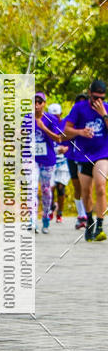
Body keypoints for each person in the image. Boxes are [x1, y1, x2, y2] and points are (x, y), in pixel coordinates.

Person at [64, 79, 108, 242]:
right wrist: (80, 132)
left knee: (101, 186)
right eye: (96, 97)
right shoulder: (79, 108)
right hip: (84, 155)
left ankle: (100, 226)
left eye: (102, 98)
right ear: (89, 93)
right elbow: (66, 131)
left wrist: (103, 113)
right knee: (86, 191)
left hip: (103, 153)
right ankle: (89, 221)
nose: (98, 101)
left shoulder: (106, 108)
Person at [32, 92, 63, 233]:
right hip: (31, 159)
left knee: (45, 190)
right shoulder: (27, 118)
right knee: (31, 189)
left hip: (47, 160)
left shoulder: (50, 119)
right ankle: (32, 220)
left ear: (44, 104)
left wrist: (43, 128)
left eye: (40, 102)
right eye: (35, 102)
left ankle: (45, 217)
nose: (37, 105)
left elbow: (59, 139)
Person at [63, 93, 88, 229]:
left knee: (86, 186)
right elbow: (63, 135)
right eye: (79, 103)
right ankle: (81, 215)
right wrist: (78, 131)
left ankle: (86, 215)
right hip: (72, 156)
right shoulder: (69, 120)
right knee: (77, 186)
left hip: (87, 157)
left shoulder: (91, 118)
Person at [46, 103, 69, 223]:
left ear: (61, 115)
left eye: (57, 116)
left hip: (63, 162)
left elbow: (72, 142)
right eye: (52, 116)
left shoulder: (65, 125)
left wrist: (66, 149)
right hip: (50, 161)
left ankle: (59, 212)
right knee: (50, 188)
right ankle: (51, 209)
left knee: (61, 187)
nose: (55, 118)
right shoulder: (45, 126)